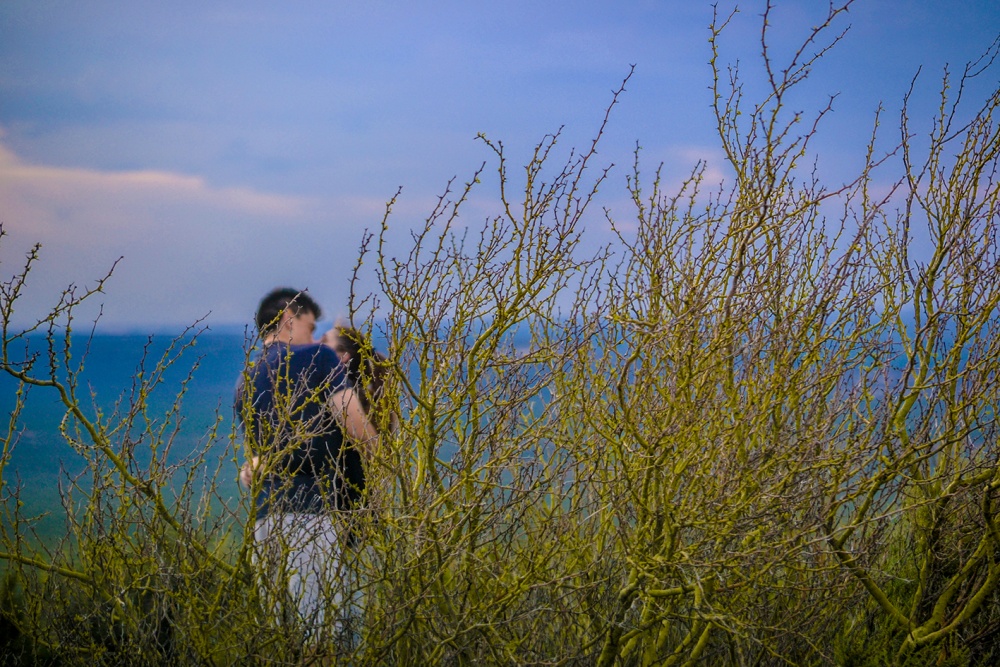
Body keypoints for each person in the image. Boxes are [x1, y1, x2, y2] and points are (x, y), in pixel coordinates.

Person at [235, 287, 375, 642]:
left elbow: (258, 460)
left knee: (283, 637)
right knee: (322, 636)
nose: (314, 337)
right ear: (288, 320)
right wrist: (383, 456)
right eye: (310, 327)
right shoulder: (319, 358)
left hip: (265, 521)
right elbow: (356, 426)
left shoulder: (245, 380)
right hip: (312, 518)